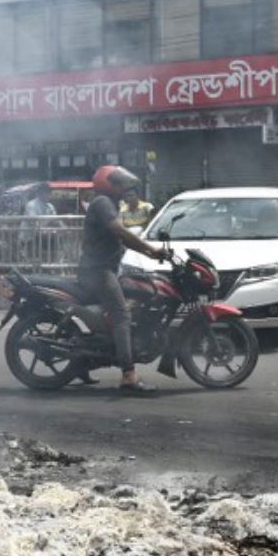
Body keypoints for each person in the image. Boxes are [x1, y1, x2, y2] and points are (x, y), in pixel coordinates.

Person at [80, 165, 173, 394]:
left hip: (106, 268)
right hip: (98, 271)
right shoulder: (102, 203)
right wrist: (152, 250)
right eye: (120, 183)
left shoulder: (109, 204)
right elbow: (121, 232)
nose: (125, 188)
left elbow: (125, 239)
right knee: (122, 314)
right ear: (109, 184)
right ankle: (129, 376)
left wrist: (152, 253)